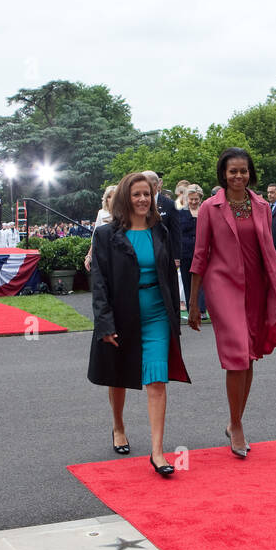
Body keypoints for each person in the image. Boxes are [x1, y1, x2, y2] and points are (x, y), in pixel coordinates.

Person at [189, 149, 276, 457]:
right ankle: (236, 424)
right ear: (223, 175)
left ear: (250, 173)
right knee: (238, 352)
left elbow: (266, 248)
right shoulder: (210, 208)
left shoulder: (263, 206)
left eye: (243, 171)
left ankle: (235, 420)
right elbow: (200, 254)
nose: (238, 176)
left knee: (250, 355)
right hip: (222, 285)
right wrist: (193, 302)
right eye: (232, 172)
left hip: (256, 286)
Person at [88, 172, 190, 475]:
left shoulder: (161, 231)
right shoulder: (106, 234)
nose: (143, 199)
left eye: (147, 194)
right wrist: (105, 323)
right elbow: (99, 282)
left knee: (157, 381)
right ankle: (118, 426)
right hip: (122, 314)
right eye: (137, 194)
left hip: (157, 313)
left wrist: (176, 315)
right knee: (118, 377)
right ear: (125, 198)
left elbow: (170, 276)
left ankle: (158, 452)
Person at [178, 185, 207, 319]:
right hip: (185, 252)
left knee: (202, 280)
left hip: (202, 252)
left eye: (196, 199)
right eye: (191, 199)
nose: (194, 202)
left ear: (200, 198)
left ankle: (201, 309)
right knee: (187, 280)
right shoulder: (181, 213)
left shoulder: (205, 212)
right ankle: (191, 311)